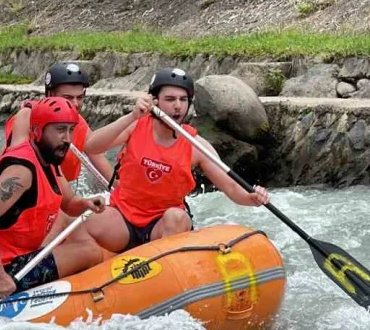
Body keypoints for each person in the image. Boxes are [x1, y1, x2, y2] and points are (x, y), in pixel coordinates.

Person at [82, 68, 270, 253]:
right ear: (154, 102)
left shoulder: (196, 145)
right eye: (170, 99)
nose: (177, 106)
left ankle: (164, 267)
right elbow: (91, 147)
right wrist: (132, 116)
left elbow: (230, 187)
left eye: (183, 100)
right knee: (86, 220)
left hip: (162, 225)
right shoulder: (135, 125)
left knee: (177, 217)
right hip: (123, 218)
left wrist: (250, 198)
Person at [0, 97, 107, 297]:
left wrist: (87, 203)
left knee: (70, 223)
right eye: (60, 129)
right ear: (37, 131)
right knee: (90, 252)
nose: (67, 138)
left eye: (71, 130)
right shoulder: (22, 170)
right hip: (7, 269)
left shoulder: (49, 160)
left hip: (22, 255)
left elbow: (70, 204)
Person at [5, 62, 114, 185]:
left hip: (62, 191)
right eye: (68, 97)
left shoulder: (78, 121)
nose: (75, 104)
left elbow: (95, 151)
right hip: (33, 189)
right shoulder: (26, 118)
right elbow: (18, 166)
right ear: (50, 95)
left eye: (79, 97)